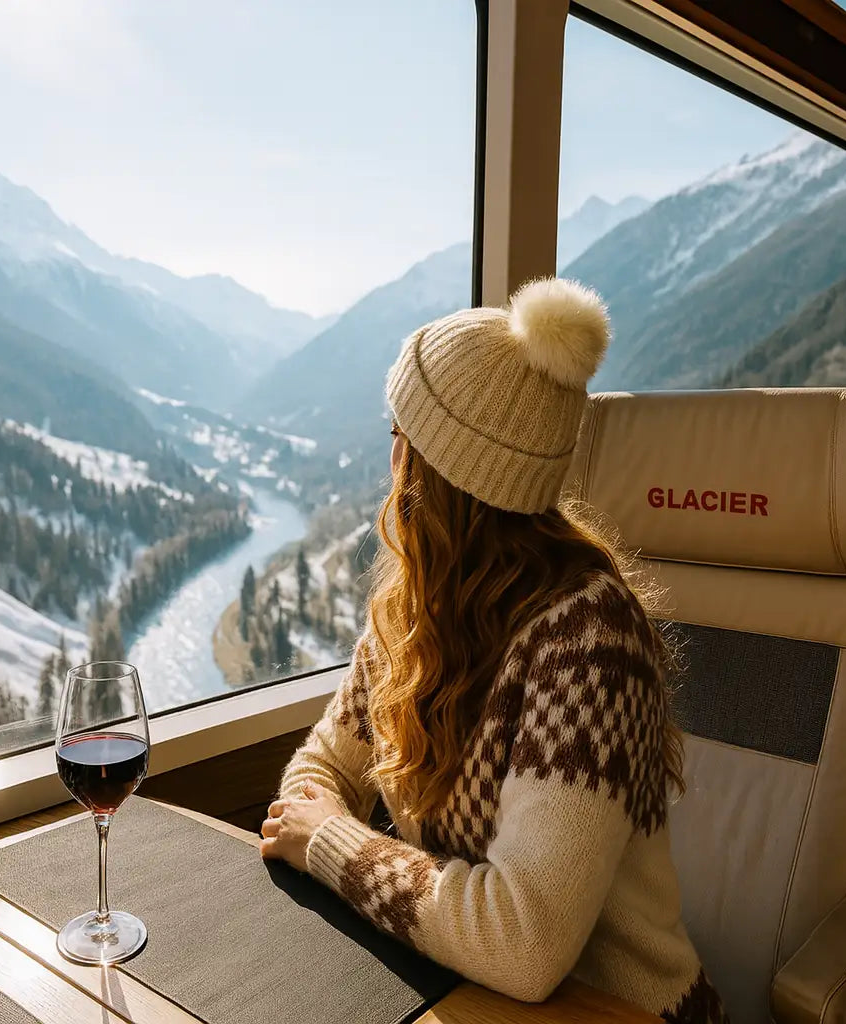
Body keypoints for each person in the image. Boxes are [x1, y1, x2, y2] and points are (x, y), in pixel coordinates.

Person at [261, 278, 726, 1024]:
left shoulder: (590, 645)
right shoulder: (414, 611)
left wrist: (336, 845)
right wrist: (329, 828)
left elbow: (524, 941)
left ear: (435, 473)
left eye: (398, 435)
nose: (391, 457)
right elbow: (316, 776)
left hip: (612, 1012)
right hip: (456, 992)